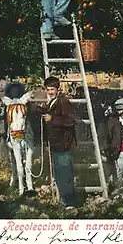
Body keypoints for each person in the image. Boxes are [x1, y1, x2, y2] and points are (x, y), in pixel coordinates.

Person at [40, 76, 77, 209]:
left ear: (58, 89)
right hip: (55, 144)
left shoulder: (64, 102)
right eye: (48, 89)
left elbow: (71, 120)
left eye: (52, 89)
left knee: (65, 173)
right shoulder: (51, 101)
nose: (50, 92)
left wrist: (52, 119)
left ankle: (69, 203)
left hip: (64, 143)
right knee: (59, 173)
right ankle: (64, 201)